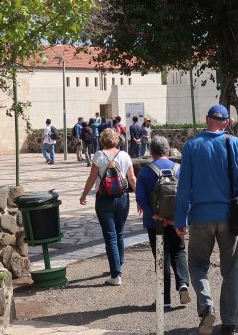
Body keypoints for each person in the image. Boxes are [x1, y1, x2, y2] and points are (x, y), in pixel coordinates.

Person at [174, 104, 238, 335]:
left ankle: (206, 305)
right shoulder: (235, 144)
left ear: (207, 119)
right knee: (231, 270)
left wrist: (180, 219)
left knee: (198, 266)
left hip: (200, 217)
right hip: (230, 216)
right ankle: (229, 323)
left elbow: (183, 188)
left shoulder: (192, 147)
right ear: (227, 123)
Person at [135, 135, 191, 308]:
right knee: (179, 250)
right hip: (176, 220)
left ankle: (164, 299)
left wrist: (155, 215)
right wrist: (180, 218)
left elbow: (140, 197)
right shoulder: (179, 169)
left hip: (154, 223)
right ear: (168, 150)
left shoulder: (145, 171)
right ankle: (183, 283)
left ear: (151, 152)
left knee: (161, 257)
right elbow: (188, 195)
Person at [80, 128, 137, 285]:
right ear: (116, 139)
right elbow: (132, 179)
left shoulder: (99, 156)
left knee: (110, 236)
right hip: (123, 198)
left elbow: (92, 178)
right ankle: (118, 265)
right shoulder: (125, 156)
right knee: (119, 233)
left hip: (104, 199)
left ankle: (115, 274)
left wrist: (84, 195)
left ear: (102, 141)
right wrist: (140, 199)